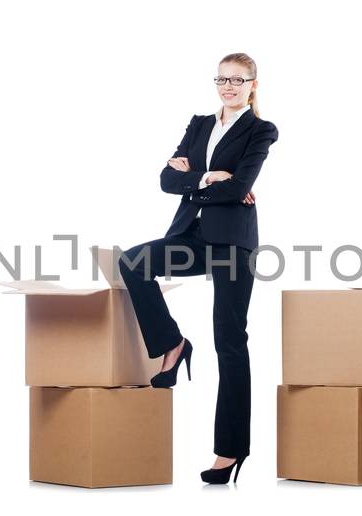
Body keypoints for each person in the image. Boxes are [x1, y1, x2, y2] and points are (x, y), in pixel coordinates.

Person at [117, 53, 277, 484]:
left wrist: (200, 181)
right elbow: (167, 182)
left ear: (253, 85)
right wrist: (209, 179)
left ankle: (229, 451)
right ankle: (172, 343)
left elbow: (241, 185)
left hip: (232, 244)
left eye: (238, 80)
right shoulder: (198, 124)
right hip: (191, 236)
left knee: (229, 339)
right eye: (222, 79)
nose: (228, 86)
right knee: (133, 262)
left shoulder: (261, 130)